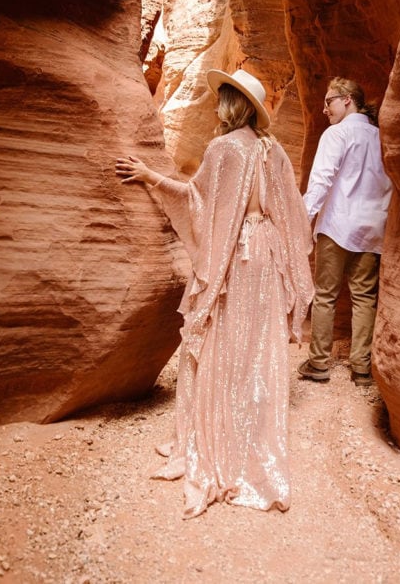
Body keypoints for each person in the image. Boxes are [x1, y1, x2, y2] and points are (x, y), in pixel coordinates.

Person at [115, 68, 313, 519]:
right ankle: (252, 436)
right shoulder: (274, 150)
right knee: (256, 346)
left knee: (223, 342)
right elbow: (293, 216)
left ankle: (219, 438)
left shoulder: (223, 149)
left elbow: (196, 201)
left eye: (222, 97)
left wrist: (151, 176)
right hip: (266, 256)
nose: (217, 104)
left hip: (235, 258)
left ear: (231, 104)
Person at [298, 77, 392, 386]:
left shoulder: (336, 134)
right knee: (365, 297)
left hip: (337, 225)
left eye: (329, 101)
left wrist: (302, 220)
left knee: (325, 295)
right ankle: (361, 368)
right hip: (373, 228)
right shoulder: (380, 137)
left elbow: (321, 180)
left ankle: (319, 363)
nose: (324, 109)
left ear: (347, 100)